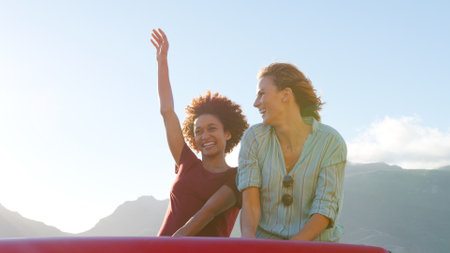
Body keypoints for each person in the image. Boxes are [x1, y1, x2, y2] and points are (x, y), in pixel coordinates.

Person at [150, 29, 249, 237]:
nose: (205, 136)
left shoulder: (237, 177)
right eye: (198, 131)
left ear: (228, 133)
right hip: (162, 250)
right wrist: (162, 63)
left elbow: (208, 212)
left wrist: (167, 247)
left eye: (212, 129)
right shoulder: (186, 162)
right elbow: (167, 112)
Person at [237, 63, 347, 242]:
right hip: (265, 247)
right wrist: (248, 242)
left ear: (286, 95)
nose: (255, 103)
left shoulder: (331, 142)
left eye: (261, 93)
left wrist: (292, 249)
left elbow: (325, 208)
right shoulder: (254, 138)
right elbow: (249, 202)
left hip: (314, 247)